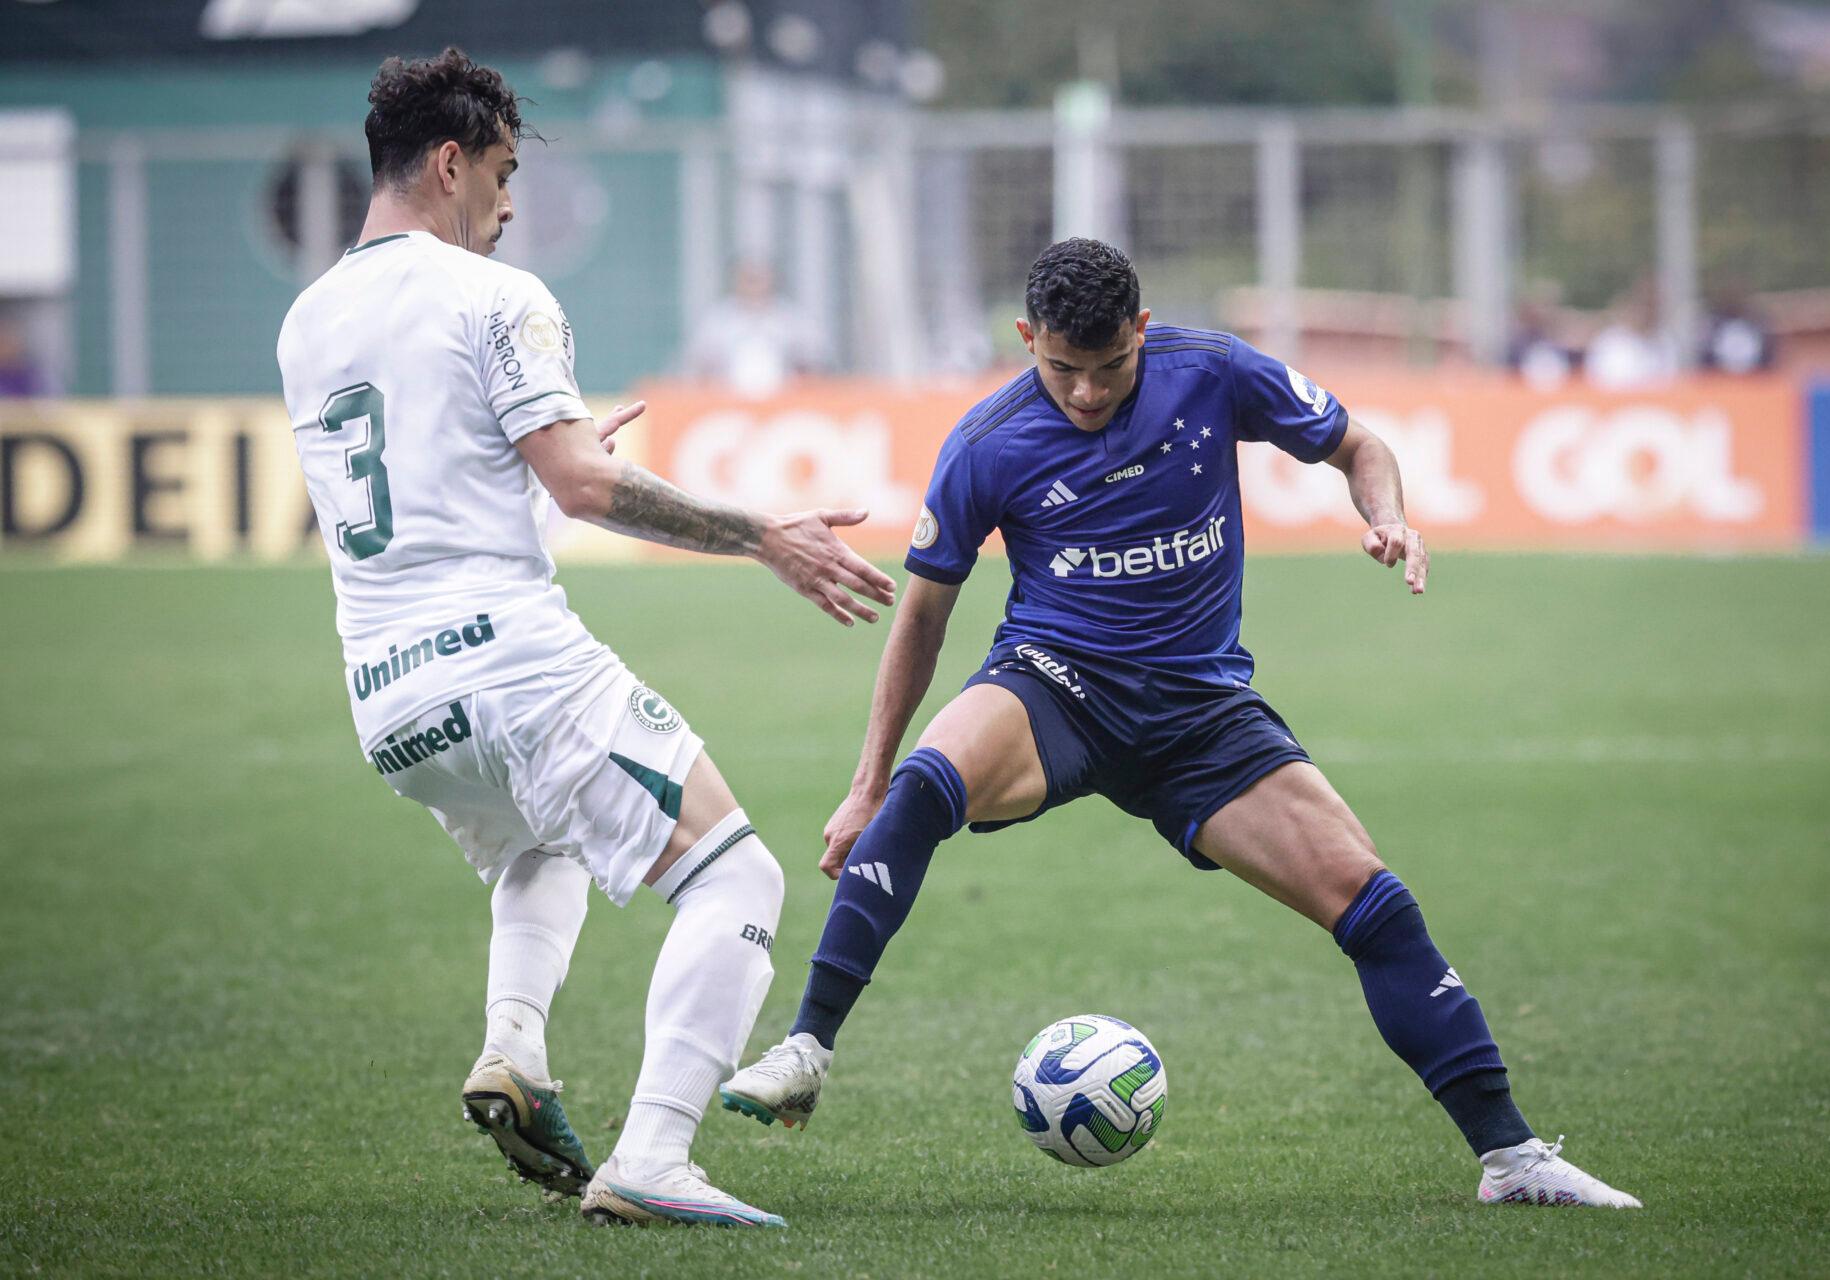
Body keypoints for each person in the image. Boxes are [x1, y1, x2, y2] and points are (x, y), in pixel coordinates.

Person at [721, 238, 1641, 1209]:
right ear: (1028, 338)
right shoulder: (988, 442)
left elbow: (1360, 444)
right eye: (1061, 368)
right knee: (921, 788)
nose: (1084, 391)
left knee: (1372, 902)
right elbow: (924, 612)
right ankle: (808, 1046)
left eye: (1108, 366)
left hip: (1202, 713)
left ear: (1142, 332)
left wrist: (1389, 515)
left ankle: (1513, 1157)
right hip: (1055, 685)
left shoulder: (1212, 371)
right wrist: (866, 783)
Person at [276, 48, 895, 1230]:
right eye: (504, 174)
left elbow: (438, 476)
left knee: (538, 851)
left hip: (391, 701)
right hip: (510, 666)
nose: (511, 207)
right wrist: (764, 532)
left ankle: (514, 1045)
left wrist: (554, 461)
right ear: (452, 162)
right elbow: (582, 488)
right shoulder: (496, 295)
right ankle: (655, 1152)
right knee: (737, 874)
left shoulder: (308, 320)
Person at [682, 260, 825, 398]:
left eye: (759, 278)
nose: (754, 284)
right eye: (748, 278)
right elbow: (696, 365)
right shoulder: (717, 321)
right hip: (725, 401)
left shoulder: (793, 319)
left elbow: (815, 362)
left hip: (785, 401)